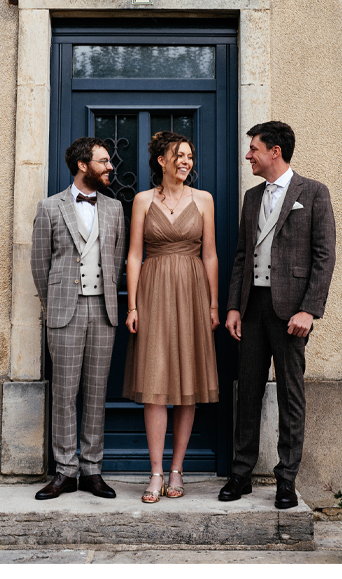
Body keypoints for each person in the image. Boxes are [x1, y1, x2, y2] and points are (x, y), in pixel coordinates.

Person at [220, 121, 335, 509]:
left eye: (253, 148)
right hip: (252, 308)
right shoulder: (252, 198)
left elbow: (324, 256)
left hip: (292, 313)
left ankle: (287, 479)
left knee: (290, 393)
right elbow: (241, 256)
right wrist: (234, 305)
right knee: (248, 391)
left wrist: (309, 310)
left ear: (275, 152)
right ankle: (241, 473)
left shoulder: (314, 193)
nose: (248, 155)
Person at [122, 132, 219, 503]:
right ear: (161, 160)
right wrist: (132, 306)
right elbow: (134, 255)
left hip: (193, 292)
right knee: (155, 383)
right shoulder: (143, 200)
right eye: (179, 155)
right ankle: (156, 471)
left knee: (188, 383)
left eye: (190, 156)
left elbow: (209, 254)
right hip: (154, 292)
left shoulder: (204, 200)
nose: (186, 161)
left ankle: (178, 469)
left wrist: (212, 305)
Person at [30, 138, 125, 500]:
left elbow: (116, 260)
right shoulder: (50, 207)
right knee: (65, 394)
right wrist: (55, 301)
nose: (110, 167)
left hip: (103, 310)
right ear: (83, 165)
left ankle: (92, 470)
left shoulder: (115, 208)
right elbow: (40, 264)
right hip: (64, 310)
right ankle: (65, 471)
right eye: (103, 161)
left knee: (96, 393)